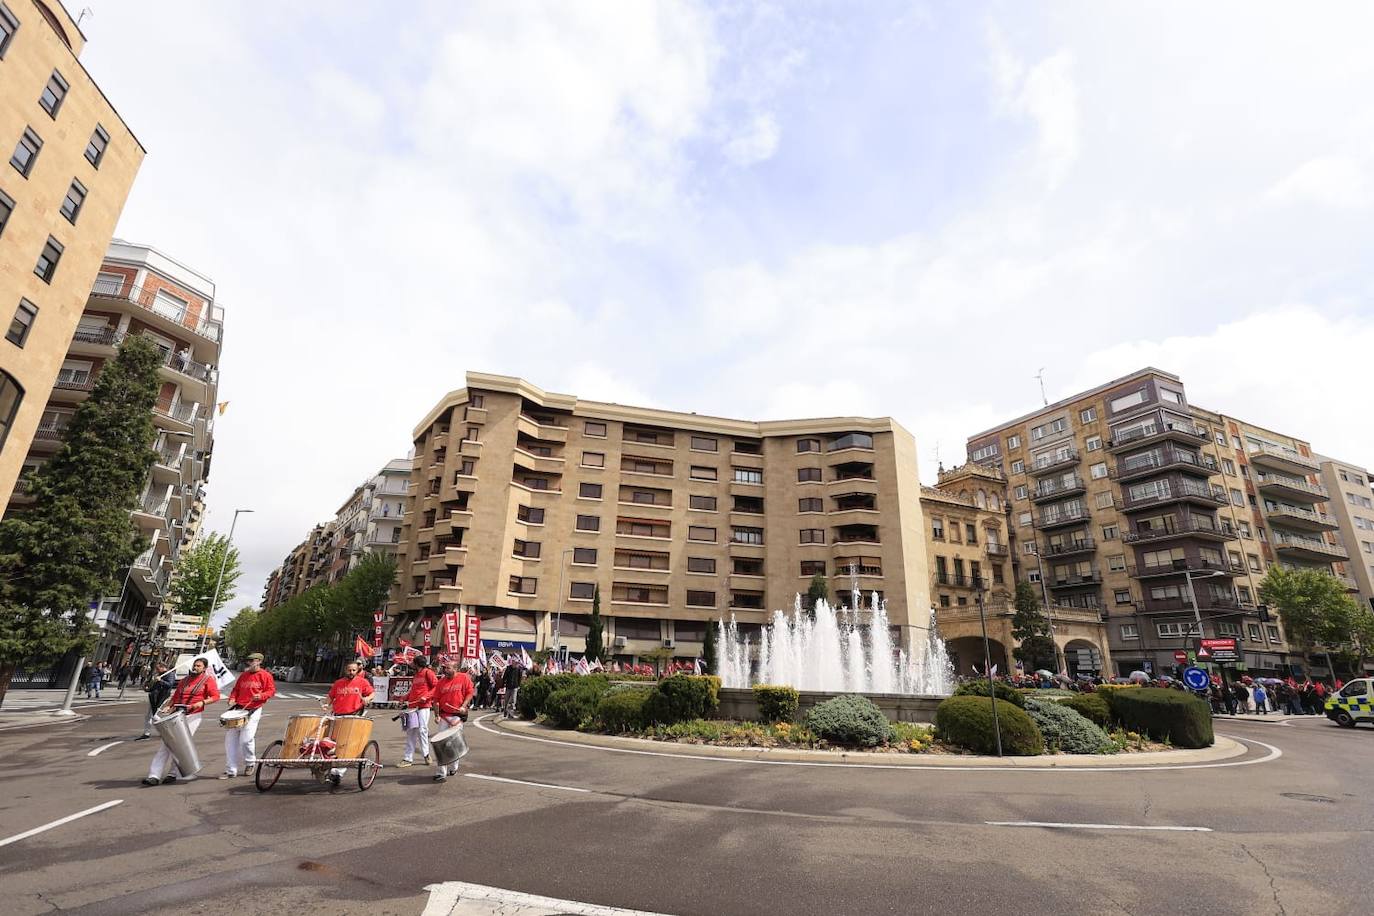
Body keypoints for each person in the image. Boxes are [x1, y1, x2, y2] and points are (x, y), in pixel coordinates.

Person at [143, 657, 220, 786]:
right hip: (177, 715)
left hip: (193, 716)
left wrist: (201, 702)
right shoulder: (185, 680)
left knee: (180, 746)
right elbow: (176, 696)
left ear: (204, 668)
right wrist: (169, 706)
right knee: (166, 745)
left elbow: (215, 696)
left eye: (199, 666)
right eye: (195, 665)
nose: (195, 667)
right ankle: (154, 775)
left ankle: (172, 773)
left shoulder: (208, 680)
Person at [222, 652, 276, 779]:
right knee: (230, 741)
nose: (250, 663)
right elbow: (236, 690)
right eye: (249, 661)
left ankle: (250, 762)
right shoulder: (244, 675)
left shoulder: (265, 675)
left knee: (246, 739)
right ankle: (231, 770)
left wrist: (261, 696)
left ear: (259, 661)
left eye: (253, 661)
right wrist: (232, 698)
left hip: (254, 709)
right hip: (239, 709)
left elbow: (271, 690)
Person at [325, 660, 374, 787]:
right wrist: (327, 704)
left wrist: (367, 698)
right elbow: (331, 696)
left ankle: (337, 773)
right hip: (337, 715)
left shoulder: (362, 682)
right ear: (345, 670)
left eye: (354, 670)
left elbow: (371, 693)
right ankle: (333, 768)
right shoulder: (338, 683)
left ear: (357, 670)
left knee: (346, 744)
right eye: (349, 670)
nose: (351, 672)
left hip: (354, 715)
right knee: (334, 743)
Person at [430, 658, 474, 782]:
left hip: (457, 716)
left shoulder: (464, 678)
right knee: (442, 745)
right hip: (444, 716)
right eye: (445, 668)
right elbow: (436, 700)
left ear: (455, 669)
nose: (445, 670)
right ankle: (441, 773)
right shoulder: (441, 682)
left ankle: (454, 767)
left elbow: (470, 693)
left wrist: (463, 706)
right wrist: (436, 715)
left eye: (448, 668)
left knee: (454, 744)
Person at [398, 656, 438, 768]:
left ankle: (426, 754)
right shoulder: (415, 675)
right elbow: (413, 691)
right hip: (412, 706)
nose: (411, 664)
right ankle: (407, 758)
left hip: (424, 706)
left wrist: (426, 696)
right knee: (411, 732)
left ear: (417, 663)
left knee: (422, 730)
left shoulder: (428, 673)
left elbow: (436, 687)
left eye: (413, 662)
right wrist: (404, 698)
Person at [138, 662, 178, 739]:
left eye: (158, 668)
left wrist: (160, 681)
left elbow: (169, 684)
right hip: (154, 696)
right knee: (149, 716)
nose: (157, 670)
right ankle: (146, 733)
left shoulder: (170, 674)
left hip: (161, 697)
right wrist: (148, 688)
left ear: (163, 667)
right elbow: (155, 686)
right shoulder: (159, 674)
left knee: (153, 715)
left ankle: (166, 730)